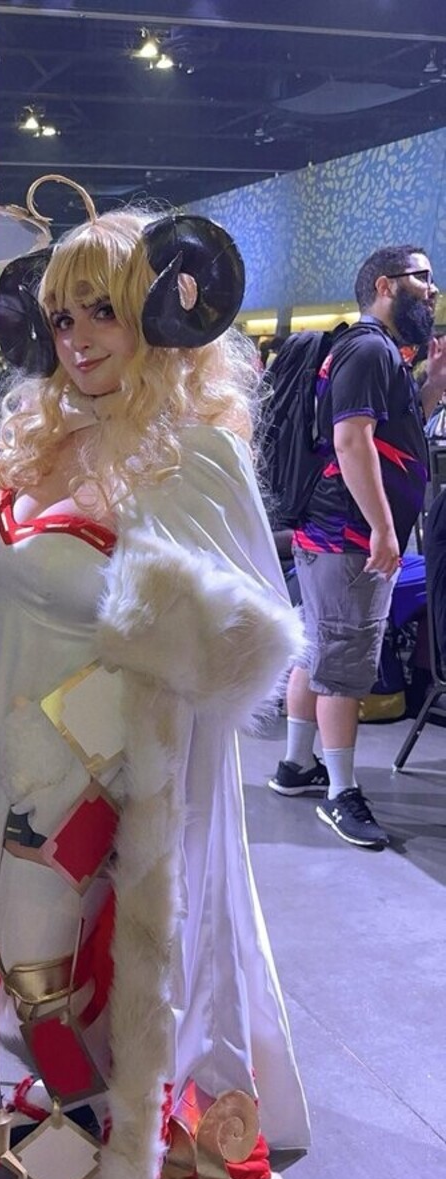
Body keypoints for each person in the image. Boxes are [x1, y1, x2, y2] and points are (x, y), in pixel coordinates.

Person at [0, 205, 310, 1179]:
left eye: (103, 310)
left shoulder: (195, 456)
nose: (79, 339)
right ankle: (83, 1148)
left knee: (47, 975)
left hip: (110, 776)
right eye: (62, 317)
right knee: (24, 966)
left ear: (156, 314)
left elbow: (255, 640)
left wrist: (151, 614)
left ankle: (102, 1158)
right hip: (8, 751)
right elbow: (5, 566)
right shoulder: (42, 437)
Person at [270, 245, 444, 848]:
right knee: (343, 667)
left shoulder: (375, 350)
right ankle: (341, 793)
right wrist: (383, 528)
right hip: (348, 535)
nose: (432, 289)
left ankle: (297, 765)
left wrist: (433, 385)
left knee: (319, 647)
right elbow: (351, 441)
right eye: (422, 278)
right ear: (385, 285)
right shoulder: (369, 349)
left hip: (335, 531)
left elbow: (394, 434)